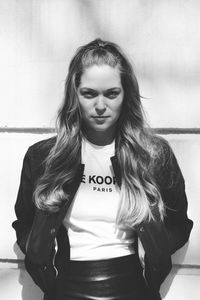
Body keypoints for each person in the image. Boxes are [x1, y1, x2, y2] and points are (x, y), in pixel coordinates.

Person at [12, 39, 193, 300]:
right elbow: (25, 223)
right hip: (66, 288)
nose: (100, 106)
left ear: (125, 94)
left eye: (111, 93)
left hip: (134, 287)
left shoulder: (153, 155)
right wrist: (44, 262)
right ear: (75, 94)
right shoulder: (43, 157)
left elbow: (179, 224)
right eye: (89, 93)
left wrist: (152, 250)